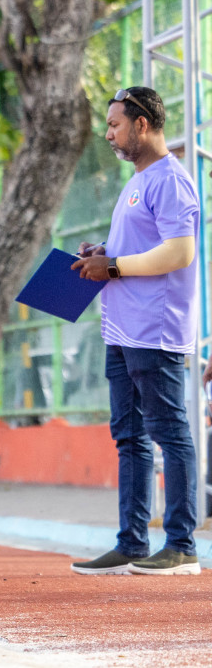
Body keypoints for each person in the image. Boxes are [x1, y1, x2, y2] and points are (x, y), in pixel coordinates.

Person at [72, 87, 201, 576]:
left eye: (115, 125)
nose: (108, 134)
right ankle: (131, 543)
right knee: (130, 437)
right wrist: (101, 252)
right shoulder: (140, 180)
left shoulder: (170, 179)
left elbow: (178, 253)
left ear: (142, 124)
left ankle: (182, 544)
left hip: (155, 330)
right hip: (122, 330)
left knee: (169, 434)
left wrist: (115, 266)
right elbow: (140, 243)